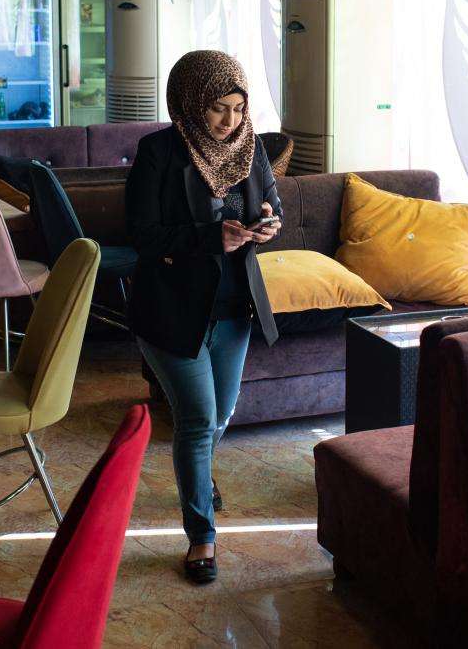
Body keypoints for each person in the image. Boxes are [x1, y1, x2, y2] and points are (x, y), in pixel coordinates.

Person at [125, 49, 282, 585]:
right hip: (172, 309)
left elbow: (271, 200)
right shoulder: (158, 153)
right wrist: (208, 238)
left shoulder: (251, 148)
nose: (230, 121)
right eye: (219, 109)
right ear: (192, 103)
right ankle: (202, 536)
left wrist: (266, 220)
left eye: (239, 108)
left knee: (218, 417)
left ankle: (200, 477)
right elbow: (142, 236)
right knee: (196, 422)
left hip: (234, 308)